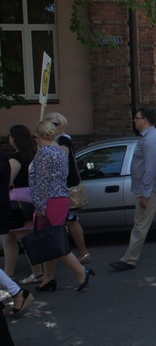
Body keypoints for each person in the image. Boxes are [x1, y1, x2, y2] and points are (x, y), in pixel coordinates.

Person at [110, 108, 156, 271]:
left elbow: (149, 168)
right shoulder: (151, 137)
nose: (134, 121)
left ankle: (129, 260)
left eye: (136, 118)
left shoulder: (150, 140)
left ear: (145, 120)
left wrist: (144, 193)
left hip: (151, 189)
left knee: (140, 224)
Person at [30, 120, 94, 292]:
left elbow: (42, 182)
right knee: (50, 237)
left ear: (38, 135)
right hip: (61, 197)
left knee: (53, 240)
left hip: (49, 200)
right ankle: (48, 279)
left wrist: (40, 206)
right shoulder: (60, 151)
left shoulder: (43, 153)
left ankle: (81, 271)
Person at [44, 112, 91, 264]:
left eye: (55, 124)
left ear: (61, 124)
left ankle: (82, 253)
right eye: (48, 124)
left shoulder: (62, 140)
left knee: (71, 220)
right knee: (68, 221)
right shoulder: (61, 139)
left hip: (66, 186)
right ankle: (78, 253)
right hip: (65, 185)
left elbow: (61, 159)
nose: (51, 127)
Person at [3, 125, 40, 283]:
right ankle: (7, 273)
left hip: (17, 200)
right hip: (28, 198)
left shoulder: (17, 158)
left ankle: (37, 273)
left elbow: (7, 180)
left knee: (24, 239)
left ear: (14, 138)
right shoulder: (33, 155)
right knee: (9, 238)